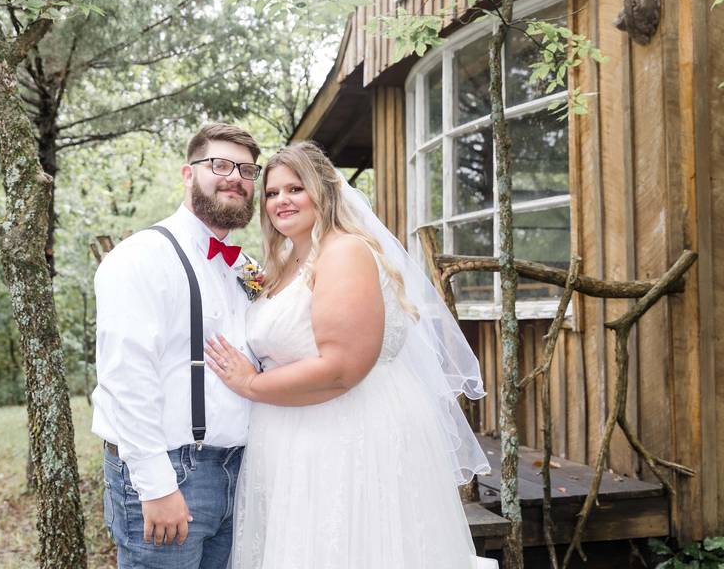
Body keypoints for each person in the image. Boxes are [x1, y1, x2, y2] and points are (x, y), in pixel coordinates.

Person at [205, 141, 492, 569]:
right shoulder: (285, 263)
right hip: (290, 438)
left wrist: (249, 383)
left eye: (295, 189)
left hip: (343, 434)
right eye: (271, 192)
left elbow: (342, 370)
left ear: (324, 191)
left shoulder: (345, 252)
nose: (281, 200)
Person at [91, 123, 264, 569]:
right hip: (172, 472)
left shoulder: (245, 267)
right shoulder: (140, 257)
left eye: (247, 170)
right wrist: (156, 486)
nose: (235, 178)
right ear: (188, 174)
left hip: (238, 473)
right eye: (220, 165)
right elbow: (125, 376)